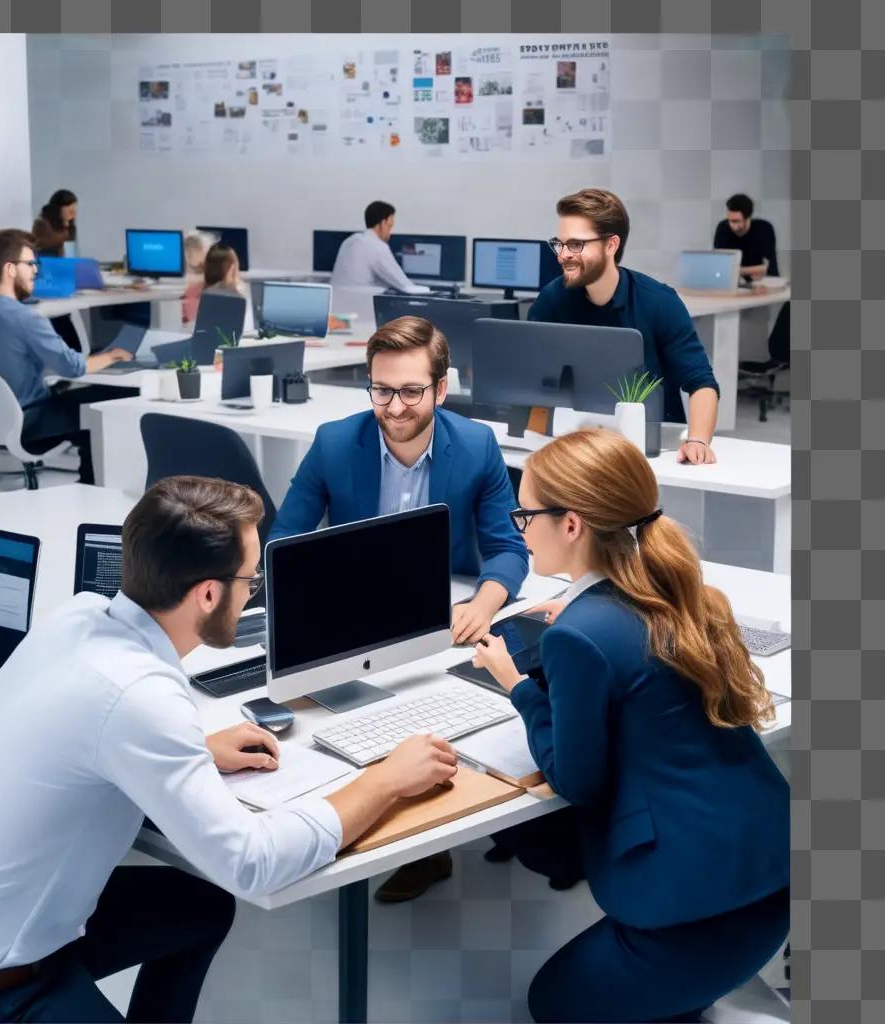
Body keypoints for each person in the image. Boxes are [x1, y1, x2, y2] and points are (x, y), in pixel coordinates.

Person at [0, 475, 458, 1023]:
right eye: (250, 578)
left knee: (198, 908)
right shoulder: (137, 696)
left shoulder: (79, 617)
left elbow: (83, 729)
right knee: (222, 888)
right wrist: (384, 779)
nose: (254, 591)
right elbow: (252, 864)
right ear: (209, 594)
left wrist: (191, 747)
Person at [471, 427, 789, 1023]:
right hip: (772, 883)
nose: (520, 529)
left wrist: (516, 683)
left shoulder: (577, 635)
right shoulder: (678, 592)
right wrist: (580, 611)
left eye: (526, 515)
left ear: (571, 526)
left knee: (550, 1003)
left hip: (690, 918)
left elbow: (575, 780)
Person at [267, 315, 529, 902]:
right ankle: (359, 827)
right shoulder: (336, 441)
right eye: (382, 389)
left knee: (444, 715)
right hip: (352, 613)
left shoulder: (477, 444)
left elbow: (509, 548)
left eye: (411, 390)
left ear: (440, 388)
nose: (395, 405)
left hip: (441, 613)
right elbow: (282, 543)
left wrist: (484, 603)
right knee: (344, 725)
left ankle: (432, 843)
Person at [527, 188, 721, 465]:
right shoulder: (553, 298)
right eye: (559, 244)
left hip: (649, 452)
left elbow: (701, 383)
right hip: (574, 444)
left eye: (576, 245)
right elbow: (530, 379)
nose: (563, 255)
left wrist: (698, 441)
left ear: (611, 245)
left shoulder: (658, 302)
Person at [0, 228, 132, 484]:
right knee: (110, 402)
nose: (35, 271)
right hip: (31, 422)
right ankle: (95, 489)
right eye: (30, 264)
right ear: (10, 269)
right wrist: (112, 356)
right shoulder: (25, 318)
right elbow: (73, 367)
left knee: (78, 397)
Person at [330, 200, 431, 294]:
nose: (390, 234)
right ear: (382, 223)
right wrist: (432, 292)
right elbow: (406, 286)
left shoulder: (349, 241)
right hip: (361, 304)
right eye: (389, 226)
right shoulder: (377, 247)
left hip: (336, 303)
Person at [32, 188, 83, 352]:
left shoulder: (69, 227)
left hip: (63, 275)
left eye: (74, 206)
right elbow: (45, 247)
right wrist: (65, 229)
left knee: (66, 314)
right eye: (68, 206)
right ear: (57, 208)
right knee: (59, 318)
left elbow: (69, 252)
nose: (72, 211)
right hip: (47, 277)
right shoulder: (42, 224)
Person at [181, 243, 250, 330]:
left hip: (195, 339)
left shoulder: (192, 291)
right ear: (233, 268)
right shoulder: (240, 295)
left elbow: (186, 323)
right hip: (226, 341)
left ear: (207, 266)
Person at [713, 193, 779, 280]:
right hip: (733, 282)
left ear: (748, 218)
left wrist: (737, 271)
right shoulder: (722, 228)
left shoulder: (764, 229)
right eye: (729, 220)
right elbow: (719, 265)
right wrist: (753, 270)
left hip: (765, 282)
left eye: (735, 221)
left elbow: (769, 267)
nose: (731, 224)